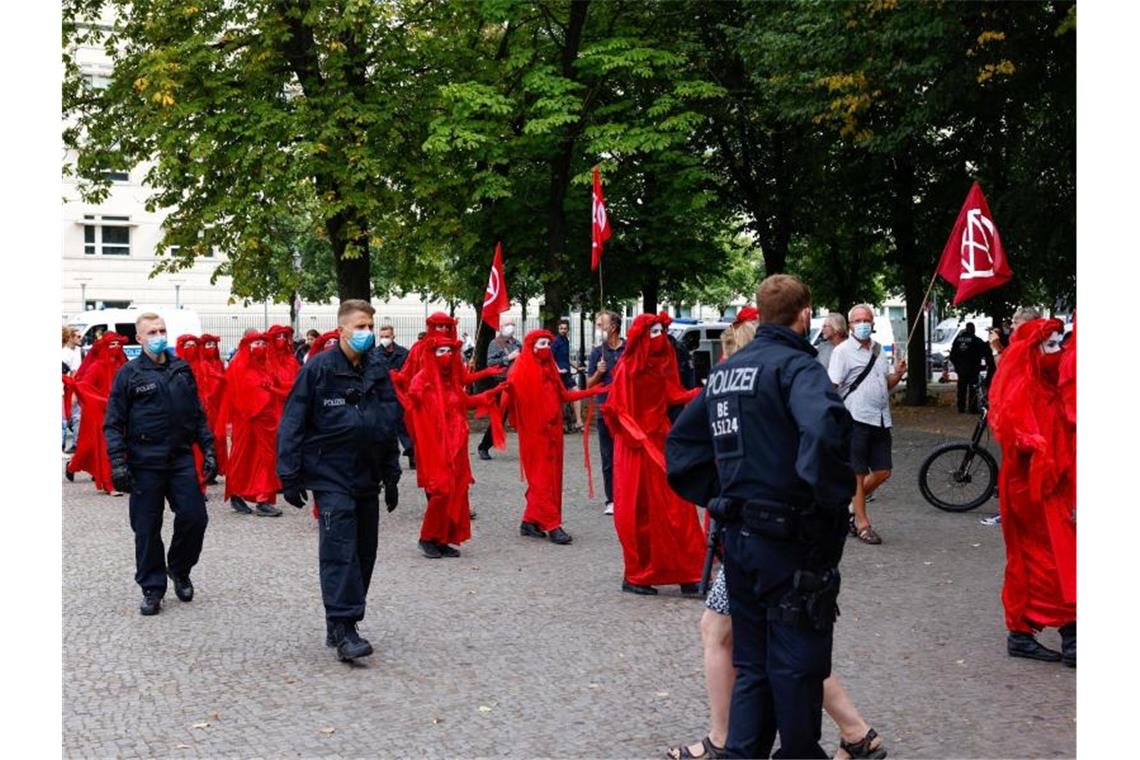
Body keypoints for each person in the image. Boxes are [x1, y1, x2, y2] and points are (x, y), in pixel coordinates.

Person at [665, 301, 883, 760]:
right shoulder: (796, 367)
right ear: (803, 315)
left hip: (741, 537)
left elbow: (683, 448)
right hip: (787, 538)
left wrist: (724, 496)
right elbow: (824, 430)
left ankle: (742, 749)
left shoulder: (726, 373)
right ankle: (811, 748)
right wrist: (823, 503)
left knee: (754, 662)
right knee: (795, 664)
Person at [276, 300, 401, 662]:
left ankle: (339, 619)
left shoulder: (376, 369)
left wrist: (391, 473)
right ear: (343, 329)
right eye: (361, 326)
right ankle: (345, 626)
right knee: (340, 550)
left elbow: (387, 420)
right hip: (330, 473)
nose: (367, 333)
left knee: (364, 551)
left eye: (370, 327)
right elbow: (293, 421)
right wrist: (289, 474)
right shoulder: (318, 369)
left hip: (367, 473)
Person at [103, 313, 217, 616]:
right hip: (144, 462)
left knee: (195, 517)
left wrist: (208, 448)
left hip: (179, 458)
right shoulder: (129, 374)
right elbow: (113, 423)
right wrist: (117, 462)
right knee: (146, 527)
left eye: (162, 330)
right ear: (139, 339)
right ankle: (152, 587)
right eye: (151, 332)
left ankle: (179, 568)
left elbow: (196, 413)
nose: (158, 335)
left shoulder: (181, 368)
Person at [987, 318, 1075, 667]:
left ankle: (1027, 633)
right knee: (1047, 559)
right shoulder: (1023, 387)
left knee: (1053, 557)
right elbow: (1011, 427)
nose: (1059, 351)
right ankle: (1067, 634)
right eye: (1050, 345)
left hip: (1052, 486)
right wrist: (1033, 443)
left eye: (1059, 343)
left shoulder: (1049, 386)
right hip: (1032, 489)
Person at [601, 312, 704, 596]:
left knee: (678, 507)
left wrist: (698, 393)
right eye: (654, 331)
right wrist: (637, 435)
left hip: (660, 439)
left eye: (662, 331)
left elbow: (672, 394)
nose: (660, 337)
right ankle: (638, 574)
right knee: (640, 510)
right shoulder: (626, 368)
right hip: (636, 447)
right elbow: (616, 410)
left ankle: (688, 571)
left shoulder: (661, 364)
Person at [392, 334, 503, 559]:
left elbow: (464, 402)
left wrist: (487, 395)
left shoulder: (451, 380)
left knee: (455, 492)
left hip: (456, 447)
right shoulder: (421, 380)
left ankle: (442, 538)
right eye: (441, 351)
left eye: (450, 351)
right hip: (434, 447)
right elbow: (412, 410)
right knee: (440, 492)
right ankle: (427, 537)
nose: (447, 355)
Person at [499, 329, 607, 545]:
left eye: (548, 344)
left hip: (554, 433)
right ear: (531, 347)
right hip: (534, 435)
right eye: (541, 345)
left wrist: (590, 392)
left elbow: (563, 395)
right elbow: (508, 398)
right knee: (542, 479)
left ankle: (530, 520)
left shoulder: (550, 369)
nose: (546, 349)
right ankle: (552, 524)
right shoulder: (521, 371)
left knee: (552, 477)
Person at [828, 304, 906, 546]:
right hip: (855, 418)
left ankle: (850, 506)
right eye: (857, 320)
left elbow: (885, 384)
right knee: (858, 474)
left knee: (884, 471)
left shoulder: (878, 350)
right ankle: (862, 525)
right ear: (850, 325)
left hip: (881, 418)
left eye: (866, 320)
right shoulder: (842, 352)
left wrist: (898, 374)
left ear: (873, 323)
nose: (862, 324)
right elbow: (832, 386)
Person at [979, 306, 1041, 527]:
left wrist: (996, 347)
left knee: (1017, 469)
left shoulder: (1027, 345)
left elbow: (1005, 369)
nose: (1012, 326)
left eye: (1015, 322)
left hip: (1023, 416)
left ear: (1027, 324)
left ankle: (1014, 512)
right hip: (1024, 414)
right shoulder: (1031, 344)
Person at [223, 332, 284, 516]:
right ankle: (236, 493)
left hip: (265, 422)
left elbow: (274, 386)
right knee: (243, 459)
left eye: (263, 343)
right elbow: (239, 394)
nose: (261, 346)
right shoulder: (239, 366)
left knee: (265, 460)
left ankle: (262, 498)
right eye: (257, 343)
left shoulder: (265, 366)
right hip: (247, 422)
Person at [64, 332, 129, 493]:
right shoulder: (97, 366)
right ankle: (109, 483)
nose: (115, 348)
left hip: (120, 412)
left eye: (117, 344)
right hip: (100, 413)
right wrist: (98, 399)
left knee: (118, 445)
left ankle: (73, 465)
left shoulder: (123, 366)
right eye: (111, 344)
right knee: (103, 446)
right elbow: (85, 385)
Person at [587, 310, 626, 515]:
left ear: (613, 327)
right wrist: (598, 373)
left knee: (627, 454)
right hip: (605, 411)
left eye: (600, 324)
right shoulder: (597, 352)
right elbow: (588, 384)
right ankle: (611, 499)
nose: (597, 328)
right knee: (608, 455)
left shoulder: (629, 348)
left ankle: (628, 494)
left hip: (627, 411)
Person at [476, 316, 522, 460]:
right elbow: (490, 363)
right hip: (501, 385)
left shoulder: (518, 343)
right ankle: (484, 446)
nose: (511, 327)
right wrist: (507, 358)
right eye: (508, 324)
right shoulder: (495, 343)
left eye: (512, 324)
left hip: (517, 384)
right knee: (499, 418)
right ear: (501, 327)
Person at [374, 323, 415, 469]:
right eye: (382, 336)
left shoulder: (403, 352)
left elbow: (410, 371)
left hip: (401, 394)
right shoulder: (375, 354)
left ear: (393, 336)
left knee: (405, 426)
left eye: (387, 336)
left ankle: (412, 454)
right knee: (385, 429)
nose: (384, 339)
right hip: (383, 395)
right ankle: (387, 460)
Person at [197, 334, 228, 481]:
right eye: (208, 345)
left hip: (218, 406)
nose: (212, 348)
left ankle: (215, 469)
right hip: (207, 407)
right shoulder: (202, 365)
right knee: (207, 438)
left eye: (213, 345)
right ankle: (207, 469)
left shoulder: (218, 363)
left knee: (218, 439)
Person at [948, 323, 995, 414]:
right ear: (973, 329)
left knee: (961, 388)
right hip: (972, 368)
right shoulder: (975, 340)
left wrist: (957, 366)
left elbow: (952, 355)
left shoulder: (958, 340)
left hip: (961, 369)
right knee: (973, 389)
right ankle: (972, 408)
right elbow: (985, 350)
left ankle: (961, 407)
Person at [552, 318, 584, 432]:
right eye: (561, 328)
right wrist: (558, 369)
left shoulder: (566, 340)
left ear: (568, 330)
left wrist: (577, 367)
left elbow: (567, 358)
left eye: (565, 328)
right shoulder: (556, 341)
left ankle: (578, 421)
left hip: (567, 374)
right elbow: (551, 357)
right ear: (558, 329)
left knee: (577, 393)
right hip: (559, 375)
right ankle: (560, 424)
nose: (563, 330)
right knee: (560, 399)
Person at [62, 327, 83, 452]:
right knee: (69, 417)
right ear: (70, 338)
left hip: (77, 386)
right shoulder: (64, 352)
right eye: (78, 336)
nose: (81, 338)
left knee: (77, 416)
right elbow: (71, 372)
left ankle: (76, 443)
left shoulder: (80, 351)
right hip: (69, 386)